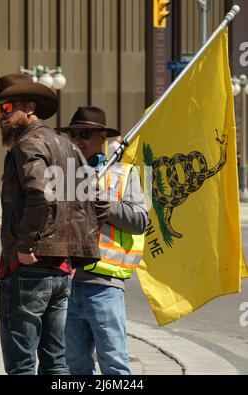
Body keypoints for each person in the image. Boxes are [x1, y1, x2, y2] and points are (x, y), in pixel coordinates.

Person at [0, 74, 109, 375]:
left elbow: (40, 194)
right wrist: (71, 249)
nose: (1, 116)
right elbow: (98, 204)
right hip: (60, 268)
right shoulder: (69, 147)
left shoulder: (28, 145)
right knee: (55, 362)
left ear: (29, 107)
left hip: (27, 267)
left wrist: (25, 246)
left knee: (21, 365)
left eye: (7, 108)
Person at [57, 106, 148, 375]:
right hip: (66, 285)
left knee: (115, 364)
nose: (78, 140)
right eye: (73, 135)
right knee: (75, 365)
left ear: (102, 137)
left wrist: (109, 208)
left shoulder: (123, 173)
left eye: (85, 134)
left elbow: (141, 220)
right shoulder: (62, 174)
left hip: (105, 287)